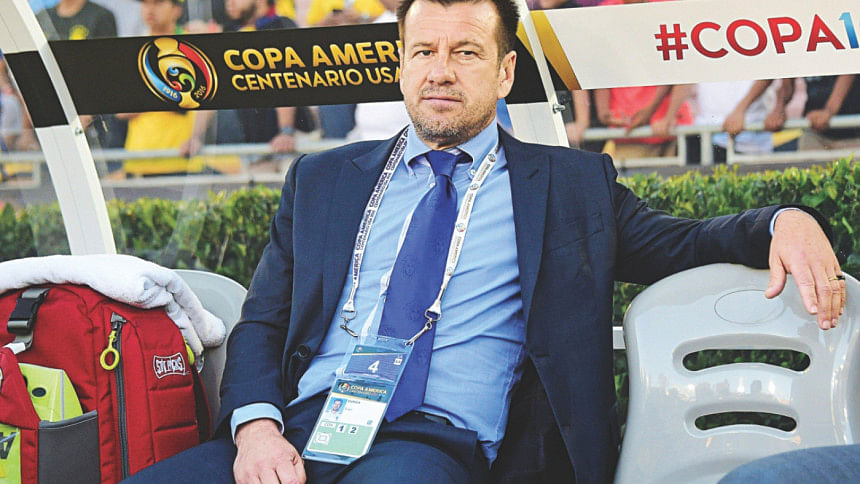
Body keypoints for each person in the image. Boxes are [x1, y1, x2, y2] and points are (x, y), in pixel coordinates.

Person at [126, 0, 846, 482]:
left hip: (434, 441)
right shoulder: (323, 181)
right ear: (401, 66)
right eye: (424, 51)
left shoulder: (569, 187)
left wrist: (781, 220)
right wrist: (255, 428)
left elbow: (683, 242)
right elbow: (263, 322)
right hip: (298, 431)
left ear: (504, 74)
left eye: (466, 52)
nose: (440, 70)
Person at [180, 0, 299, 158]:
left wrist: (286, 131)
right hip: (247, 147)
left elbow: (285, 80)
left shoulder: (282, 25)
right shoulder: (230, 32)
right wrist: (195, 137)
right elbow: (213, 88)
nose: (229, 3)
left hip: (285, 145)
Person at [726, 76, 860, 151]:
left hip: (852, 130)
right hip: (814, 130)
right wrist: (779, 109)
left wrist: (829, 110)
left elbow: (848, 69)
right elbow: (787, 83)